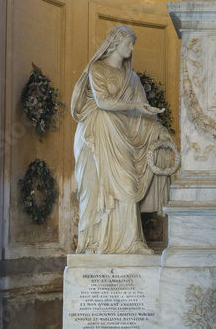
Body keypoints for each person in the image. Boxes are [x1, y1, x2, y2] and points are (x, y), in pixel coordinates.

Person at [70, 25, 178, 254]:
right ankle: (94, 243)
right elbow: (103, 101)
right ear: (114, 43)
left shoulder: (133, 79)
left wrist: (159, 130)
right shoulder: (97, 69)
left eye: (132, 43)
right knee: (95, 189)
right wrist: (137, 106)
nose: (131, 47)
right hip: (96, 136)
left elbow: (142, 116)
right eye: (128, 43)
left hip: (123, 138)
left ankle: (132, 242)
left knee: (127, 183)